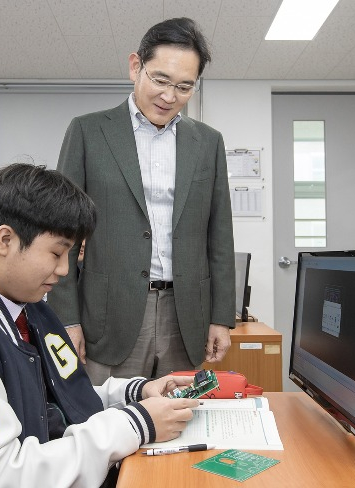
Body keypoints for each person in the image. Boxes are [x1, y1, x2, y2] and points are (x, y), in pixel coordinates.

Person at [0, 163, 198, 488]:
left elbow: (56, 396)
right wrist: (135, 424)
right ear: (5, 239)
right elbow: (1, 477)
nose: (64, 270)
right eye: (56, 253)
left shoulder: (28, 307)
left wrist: (134, 394)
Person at [48, 17, 236, 384]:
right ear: (136, 66)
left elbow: (220, 235)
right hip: (109, 314)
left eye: (184, 87)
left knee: (181, 425)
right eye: (161, 80)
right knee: (108, 425)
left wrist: (221, 317)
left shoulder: (209, 142)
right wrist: (66, 319)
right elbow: (61, 234)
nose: (170, 97)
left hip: (186, 316)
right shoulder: (88, 131)